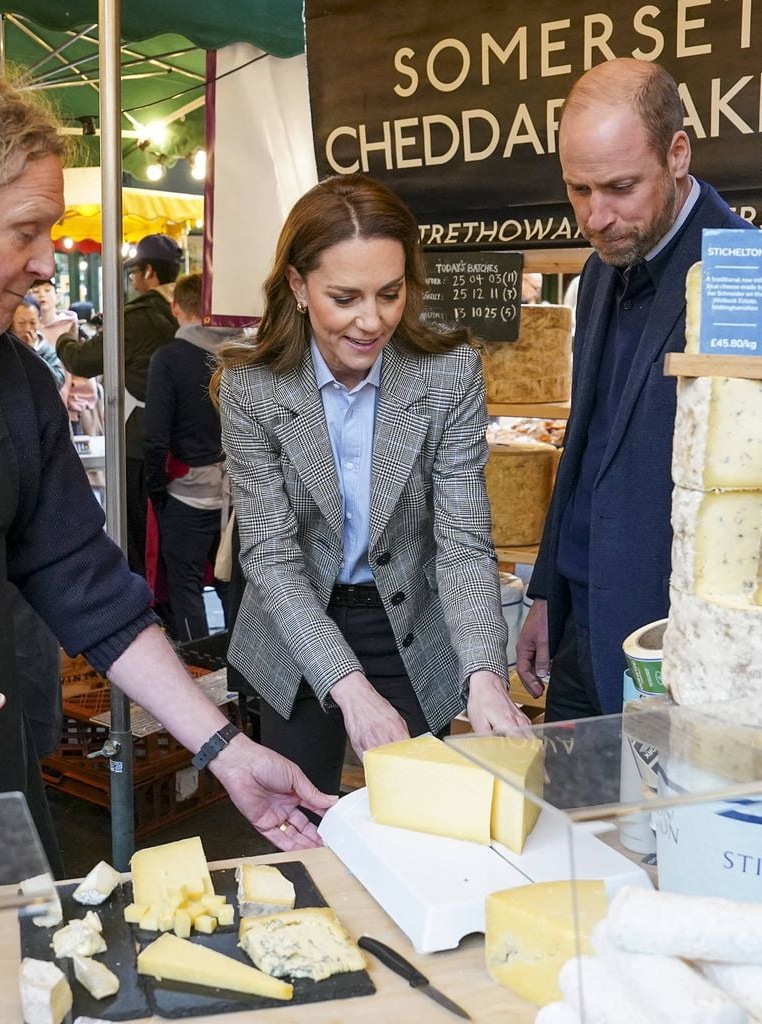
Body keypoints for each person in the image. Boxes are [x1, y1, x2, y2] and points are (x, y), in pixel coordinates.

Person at [0, 62, 332, 870]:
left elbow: (85, 584)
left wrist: (223, 747)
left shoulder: (11, 374)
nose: (50, 263)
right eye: (26, 230)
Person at [214, 173, 530, 798]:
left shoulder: (448, 373)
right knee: (306, 820)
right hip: (293, 625)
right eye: (346, 297)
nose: (372, 320)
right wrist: (349, 687)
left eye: (390, 293)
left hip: (412, 621)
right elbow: (272, 561)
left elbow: (462, 540)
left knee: (414, 817)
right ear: (299, 288)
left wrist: (486, 674)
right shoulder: (251, 386)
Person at [516, 59, 749, 720]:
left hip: (664, 639)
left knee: (646, 825)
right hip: (574, 620)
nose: (597, 216)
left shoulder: (740, 273)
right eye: (578, 189)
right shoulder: (597, 273)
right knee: (564, 821)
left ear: (677, 153)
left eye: (620, 187)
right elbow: (585, 442)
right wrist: (545, 594)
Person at [56, 233, 180, 578]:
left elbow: (82, 361)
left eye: (135, 273)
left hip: (140, 440)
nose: (134, 280)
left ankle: (151, 609)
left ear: (150, 273)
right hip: (192, 444)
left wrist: (64, 337)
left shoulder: (135, 317)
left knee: (138, 533)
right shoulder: (191, 310)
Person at [143, 271, 234, 642]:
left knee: (185, 587)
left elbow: (155, 435)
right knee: (233, 585)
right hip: (238, 492)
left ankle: (198, 673)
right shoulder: (240, 355)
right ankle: (241, 674)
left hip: (185, 492)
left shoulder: (168, 359)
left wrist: (156, 490)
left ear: (175, 308)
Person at [11, 297, 67, 388]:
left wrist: (33, 354)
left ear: (39, 322)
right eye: (21, 323)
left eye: (32, 323)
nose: (27, 329)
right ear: (11, 323)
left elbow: (58, 382)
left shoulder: (48, 351)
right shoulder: (4, 349)